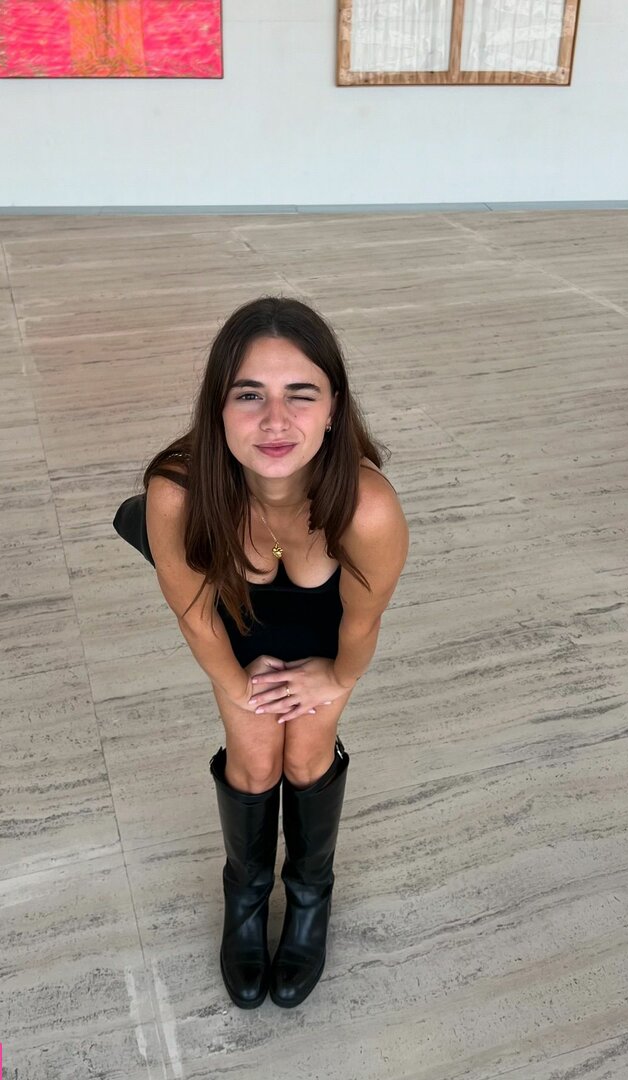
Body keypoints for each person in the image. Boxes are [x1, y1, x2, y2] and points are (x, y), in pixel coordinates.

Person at [139, 296, 409, 1009]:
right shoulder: (175, 490)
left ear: (334, 408)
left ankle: (311, 893)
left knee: (306, 757)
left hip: (326, 635)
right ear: (218, 407)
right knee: (255, 758)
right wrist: (237, 685)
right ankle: (247, 895)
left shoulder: (369, 507)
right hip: (235, 628)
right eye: (250, 394)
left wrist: (337, 677)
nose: (276, 421)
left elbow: (365, 621)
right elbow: (195, 616)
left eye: (301, 394)